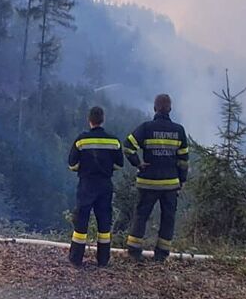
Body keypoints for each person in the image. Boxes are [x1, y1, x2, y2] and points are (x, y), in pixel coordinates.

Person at [124, 94, 189, 262]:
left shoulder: (146, 128)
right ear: (170, 109)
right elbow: (183, 160)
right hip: (170, 184)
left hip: (148, 183)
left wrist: (138, 163)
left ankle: (134, 251)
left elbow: (128, 146)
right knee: (168, 219)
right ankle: (161, 255)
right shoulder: (179, 130)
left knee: (141, 216)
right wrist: (181, 180)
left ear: (154, 109)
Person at [67, 106, 125, 266]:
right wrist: (107, 169)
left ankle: (76, 258)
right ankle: (103, 260)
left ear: (89, 120)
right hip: (105, 184)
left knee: (81, 222)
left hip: (86, 184)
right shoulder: (114, 141)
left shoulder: (81, 140)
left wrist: (84, 168)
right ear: (103, 119)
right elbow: (120, 165)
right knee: (104, 222)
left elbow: (72, 165)